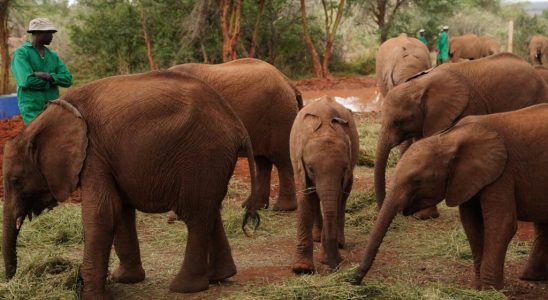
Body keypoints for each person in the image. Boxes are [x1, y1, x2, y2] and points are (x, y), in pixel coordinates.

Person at [11, 18, 72, 125]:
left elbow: (68, 79)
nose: (52, 36)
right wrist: (53, 82)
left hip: (53, 107)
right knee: (36, 137)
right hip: (32, 108)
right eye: (49, 33)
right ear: (37, 33)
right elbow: (26, 81)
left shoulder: (53, 56)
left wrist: (49, 77)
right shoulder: (21, 53)